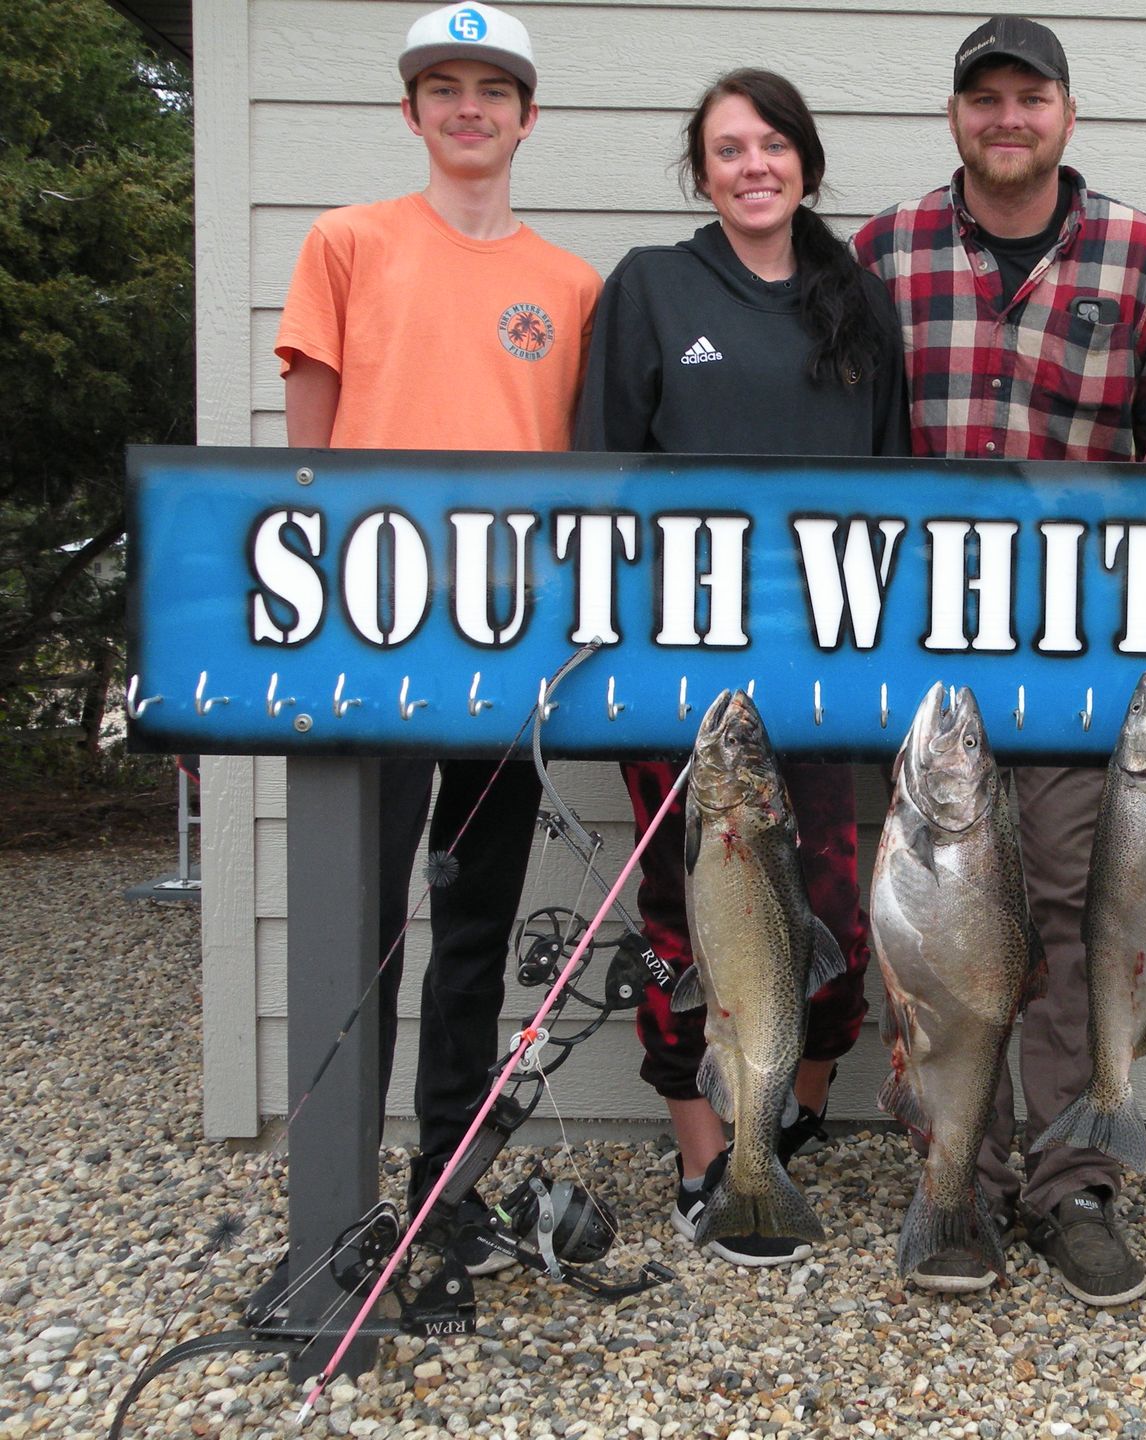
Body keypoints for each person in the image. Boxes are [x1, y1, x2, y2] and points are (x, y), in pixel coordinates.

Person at [854, 16, 1146, 1306]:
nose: (1008, 118)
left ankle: (1073, 1184)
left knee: (1071, 912)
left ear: (1067, 112)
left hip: (1074, 651)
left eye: (1031, 97)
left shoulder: (1144, 258)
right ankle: (954, 1176)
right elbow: (841, 445)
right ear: (956, 114)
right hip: (924, 657)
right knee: (935, 928)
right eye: (984, 97)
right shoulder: (884, 254)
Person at [273, 1, 602, 1272]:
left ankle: (443, 1186)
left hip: (506, 659)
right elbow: (307, 461)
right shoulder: (348, 243)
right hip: (369, 641)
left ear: (527, 116)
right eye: (444, 87)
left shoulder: (567, 286)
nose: (469, 107)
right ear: (411, 111)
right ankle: (339, 1196)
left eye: (493, 88)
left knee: (473, 927)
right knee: (362, 922)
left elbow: (573, 474)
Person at [573, 68, 908, 1267]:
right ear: (701, 170)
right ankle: (702, 1142)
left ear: (806, 163)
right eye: (727, 149)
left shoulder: (857, 304)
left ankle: (796, 1106)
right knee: (685, 910)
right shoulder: (655, 287)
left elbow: (891, 497)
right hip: (678, 669)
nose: (753, 165)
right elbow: (602, 478)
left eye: (773, 144)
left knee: (830, 912)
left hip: (819, 667)